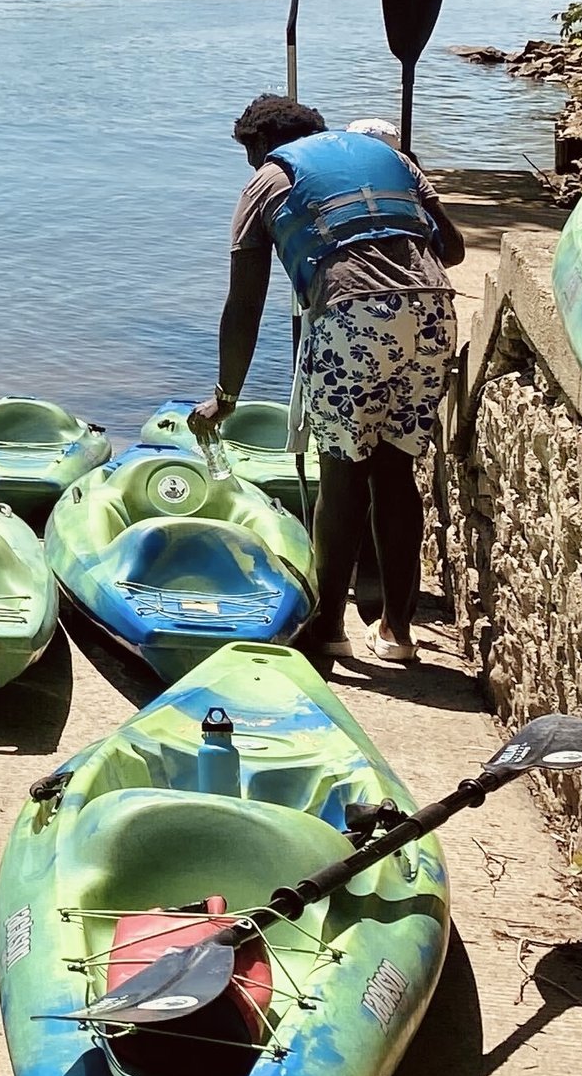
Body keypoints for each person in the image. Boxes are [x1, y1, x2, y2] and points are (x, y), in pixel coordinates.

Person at [189, 95, 464, 670]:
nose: (249, 164)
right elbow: (455, 248)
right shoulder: (392, 157)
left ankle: (329, 627)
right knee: (396, 469)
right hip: (435, 310)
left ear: (261, 145)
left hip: (352, 320)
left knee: (342, 474)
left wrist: (227, 395)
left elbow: (245, 303)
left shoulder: (268, 180)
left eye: (248, 152)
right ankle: (396, 630)